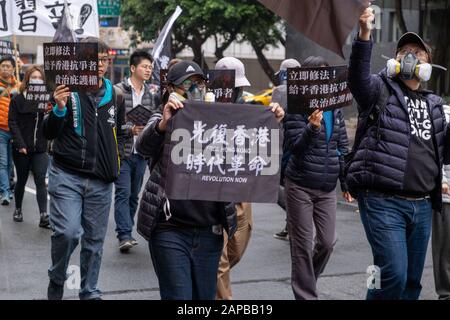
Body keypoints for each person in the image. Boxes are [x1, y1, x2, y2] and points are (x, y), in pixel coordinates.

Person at [135, 60, 284, 300]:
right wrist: (164, 123)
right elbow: (143, 145)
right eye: (186, 85)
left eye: (199, 83)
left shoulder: (221, 121)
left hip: (209, 231)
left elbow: (253, 154)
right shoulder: (164, 116)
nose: (195, 89)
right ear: (170, 89)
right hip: (170, 229)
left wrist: (271, 123)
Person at [346, 8, 449, 300]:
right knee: (392, 272)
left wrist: (438, 177)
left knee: (412, 282)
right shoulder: (380, 89)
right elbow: (356, 79)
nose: (411, 56)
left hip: (423, 204)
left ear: (428, 63)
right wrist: (365, 33)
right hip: (382, 201)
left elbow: (440, 150)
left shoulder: (435, 104)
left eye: (418, 51)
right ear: (395, 59)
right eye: (405, 50)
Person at [43, 37, 125, 300]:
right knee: (67, 233)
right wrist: (58, 108)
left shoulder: (116, 94)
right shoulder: (67, 89)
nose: (100, 65)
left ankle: (89, 291)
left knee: (94, 242)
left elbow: (120, 133)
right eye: (94, 60)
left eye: (104, 60)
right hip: (66, 175)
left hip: (101, 181)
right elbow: (48, 132)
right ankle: (57, 277)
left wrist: (117, 160)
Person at [284, 56, 351, 300]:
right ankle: (305, 294)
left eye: (325, 75)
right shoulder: (296, 107)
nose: (320, 80)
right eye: (315, 75)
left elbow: (342, 146)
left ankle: (305, 279)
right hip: (299, 185)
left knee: (327, 241)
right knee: (301, 247)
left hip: (326, 187)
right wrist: (312, 128)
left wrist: (345, 182)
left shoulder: (336, 108)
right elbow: (295, 147)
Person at [213, 57, 253, 300]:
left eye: (236, 88)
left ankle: (209, 282)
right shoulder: (203, 109)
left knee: (237, 245)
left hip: (242, 187)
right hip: (215, 191)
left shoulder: (249, 111)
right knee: (220, 258)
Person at [114, 50, 160, 253]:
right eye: (144, 66)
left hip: (141, 152)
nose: (148, 70)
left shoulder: (150, 95)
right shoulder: (117, 91)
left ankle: (127, 231)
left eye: (150, 67)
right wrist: (129, 129)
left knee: (134, 195)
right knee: (123, 193)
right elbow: (110, 123)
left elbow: (153, 120)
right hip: (122, 151)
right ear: (133, 68)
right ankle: (124, 234)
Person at [8, 65, 50, 228]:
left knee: (40, 178)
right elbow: (12, 122)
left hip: (39, 147)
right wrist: (20, 144)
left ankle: (43, 215)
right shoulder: (18, 99)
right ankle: (18, 208)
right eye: (34, 77)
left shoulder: (45, 99)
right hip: (22, 148)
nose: (37, 80)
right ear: (27, 79)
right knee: (22, 180)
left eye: (40, 78)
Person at [272, 58, 301, 241]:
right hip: (300, 141)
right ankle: (291, 224)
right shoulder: (305, 90)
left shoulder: (280, 91)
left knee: (278, 186)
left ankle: (296, 222)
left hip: (282, 142)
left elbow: (273, 119)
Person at [433, 103, 450, 300]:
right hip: (447, 195)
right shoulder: (442, 112)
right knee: (445, 252)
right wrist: (442, 181)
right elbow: (437, 150)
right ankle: (445, 295)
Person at [0, 56, 19, 205]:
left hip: (13, 130)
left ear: (13, 68)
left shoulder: (18, 86)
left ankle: (8, 189)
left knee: (10, 163)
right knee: (2, 162)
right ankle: (5, 191)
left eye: (8, 66)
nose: (5, 68)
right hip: (0, 129)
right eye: (3, 66)